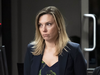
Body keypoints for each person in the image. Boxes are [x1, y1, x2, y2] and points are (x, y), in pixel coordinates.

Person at [24, 6, 87, 75]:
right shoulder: (32, 49)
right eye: (40, 25)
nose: (43, 29)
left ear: (59, 26)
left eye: (48, 24)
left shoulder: (73, 50)